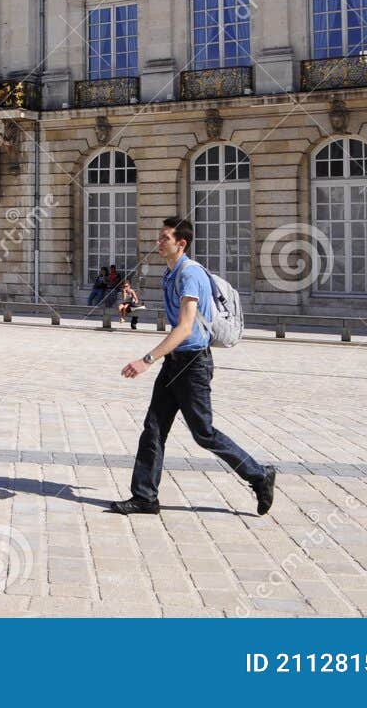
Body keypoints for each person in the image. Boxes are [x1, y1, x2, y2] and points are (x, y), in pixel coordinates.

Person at [108, 216, 276, 517]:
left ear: (181, 243)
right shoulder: (169, 273)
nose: (158, 243)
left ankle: (259, 474)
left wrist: (147, 360)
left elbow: (185, 328)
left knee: (204, 433)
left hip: (193, 364)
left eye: (164, 238)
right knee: (154, 428)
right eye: (159, 237)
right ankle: (145, 497)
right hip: (176, 361)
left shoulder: (190, 274)